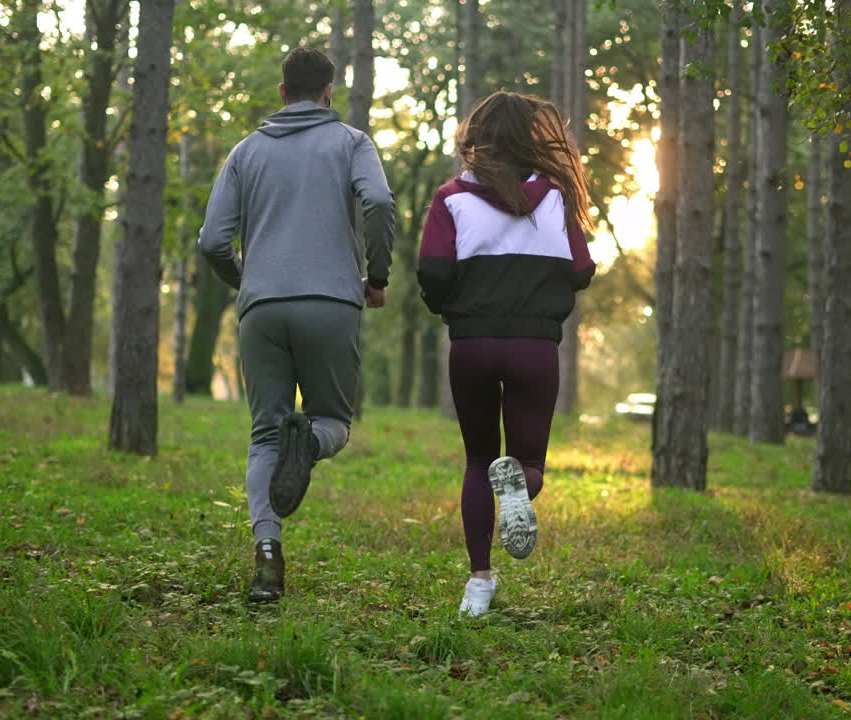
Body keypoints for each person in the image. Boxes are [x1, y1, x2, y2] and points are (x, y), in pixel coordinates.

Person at [198, 47, 395, 603]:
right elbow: (378, 202)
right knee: (332, 419)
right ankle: (306, 440)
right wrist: (375, 276)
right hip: (332, 302)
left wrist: (248, 281)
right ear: (328, 92)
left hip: (262, 307)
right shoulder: (353, 143)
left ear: (282, 93)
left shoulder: (245, 152)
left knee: (264, 435)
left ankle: (266, 558)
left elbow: (212, 240)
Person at [417, 91, 595, 617]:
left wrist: (451, 309)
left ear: (480, 138)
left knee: (477, 460)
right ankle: (519, 490)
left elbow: (432, 272)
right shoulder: (559, 197)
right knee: (527, 463)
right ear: (531, 140)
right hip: (533, 347)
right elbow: (581, 270)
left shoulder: (450, 197)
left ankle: (478, 581)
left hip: (472, 345)